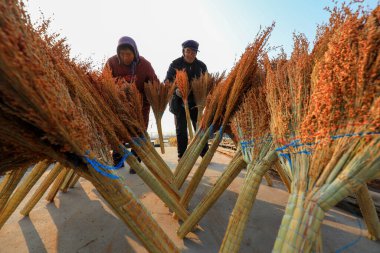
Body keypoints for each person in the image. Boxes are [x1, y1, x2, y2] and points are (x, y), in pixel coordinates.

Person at [105, 36, 158, 173]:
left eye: (128, 54)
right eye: (122, 54)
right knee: (117, 130)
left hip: (140, 106)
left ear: (135, 52)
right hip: (119, 105)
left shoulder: (144, 65)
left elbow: (155, 83)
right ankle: (118, 159)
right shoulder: (111, 62)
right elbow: (104, 81)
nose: (125, 57)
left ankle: (136, 162)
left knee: (138, 132)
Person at [165, 40, 209, 161]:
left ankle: (204, 153)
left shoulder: (201, 66)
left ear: (196, 53)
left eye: (193, 52)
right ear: (183, 51)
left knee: (200, 127)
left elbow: (207, 83)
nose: (190, 54)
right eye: (188, 51)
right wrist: (175, 91)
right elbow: (167, 82)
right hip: (179, 102)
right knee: (181, 130)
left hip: (196, 102)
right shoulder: (175, 64)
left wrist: (205, 97)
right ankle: (182, 156)